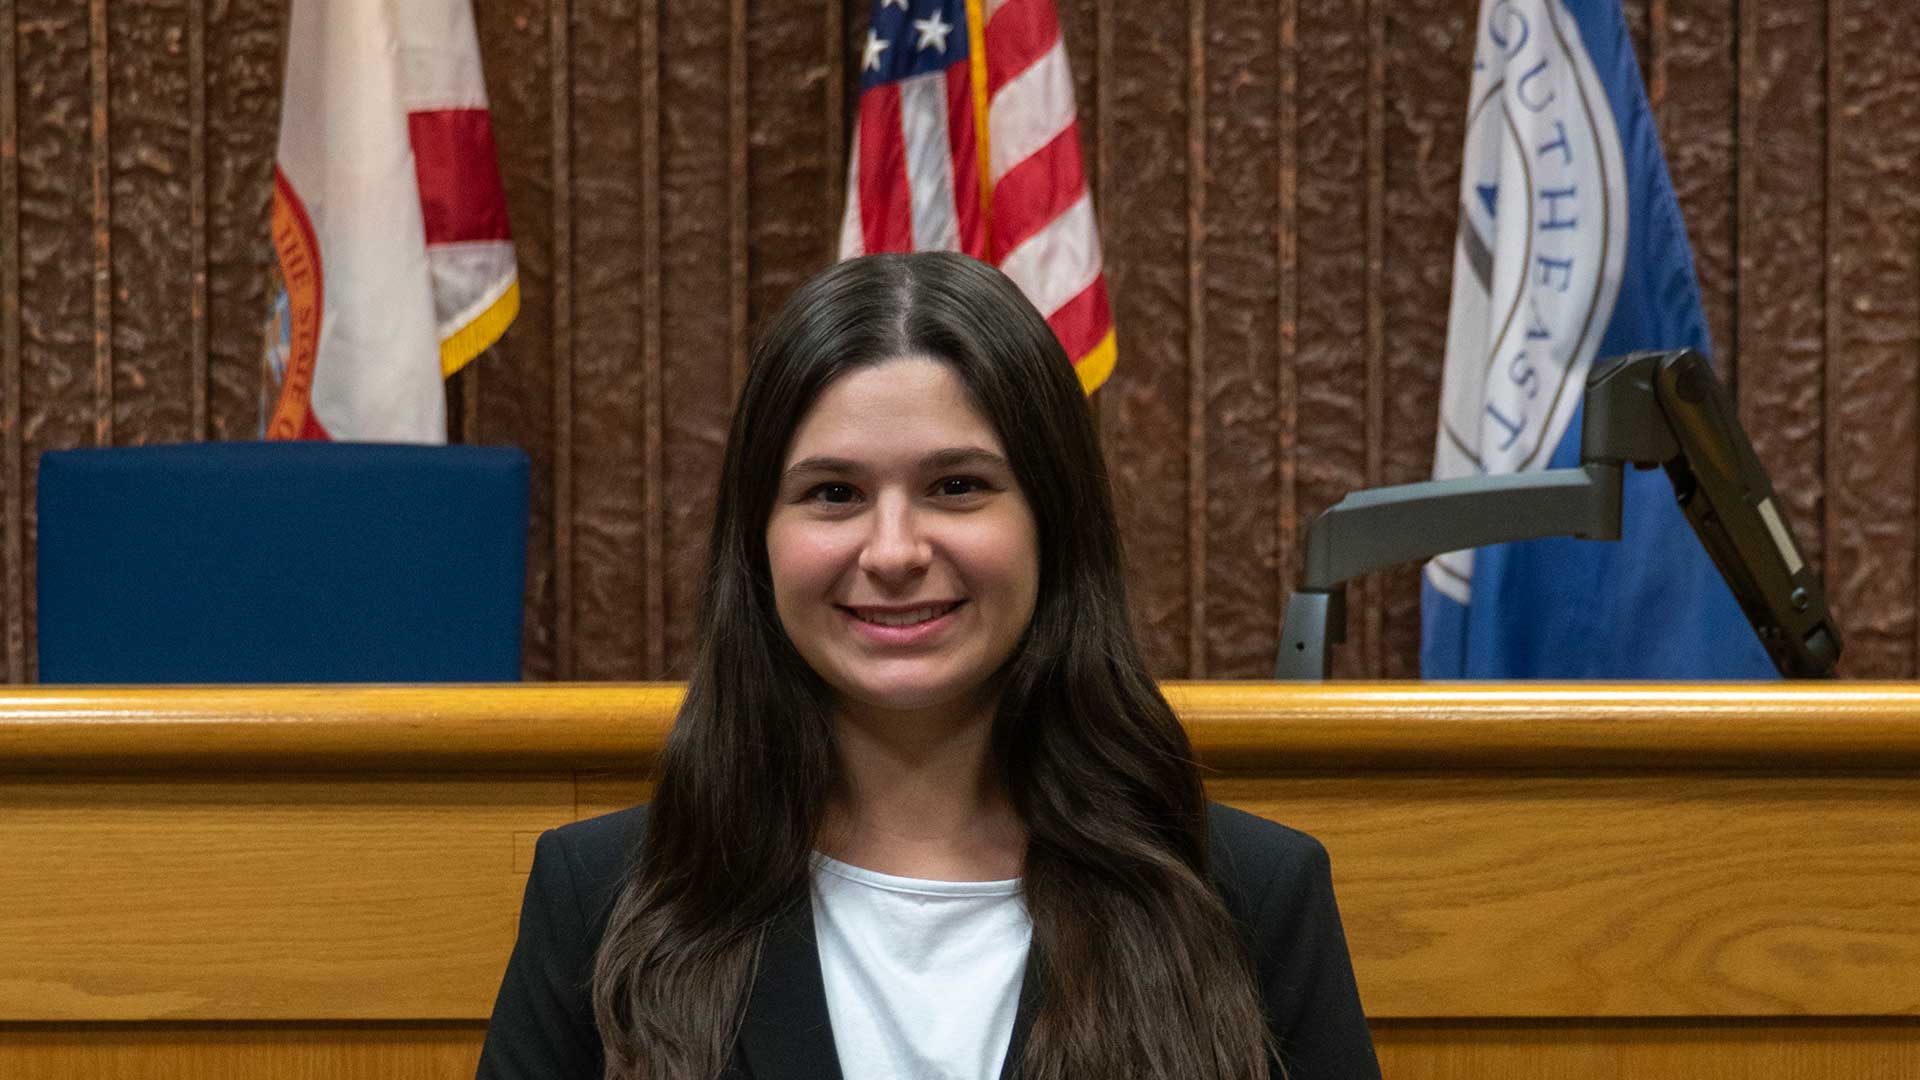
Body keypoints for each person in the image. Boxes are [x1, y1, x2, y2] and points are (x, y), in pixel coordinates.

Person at [476, 252, 1380, 1080]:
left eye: (957, 487)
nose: (895, 550)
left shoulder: (1249, 896)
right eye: (834, 493)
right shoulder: (601, 895)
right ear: (758, 541)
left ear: (1051, 525)